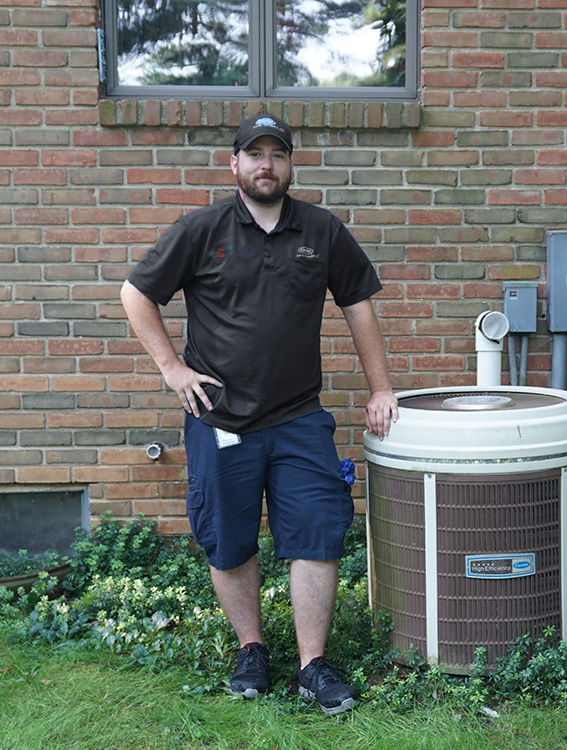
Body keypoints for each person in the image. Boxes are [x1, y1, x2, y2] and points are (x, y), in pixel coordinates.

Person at [120, 114, 398, 715]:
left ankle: (312, 664)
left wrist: (381, 388)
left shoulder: (321, 230)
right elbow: (136, 293)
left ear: (290, 164)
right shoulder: (202, 229)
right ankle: (252, 649)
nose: (265, 164)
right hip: (219, 418)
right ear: (235, 164)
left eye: (277, 154)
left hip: (298, 416)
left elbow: (358, 306)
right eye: (254, 154)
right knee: (228, 537)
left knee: (319, 531)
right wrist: (172, 369)